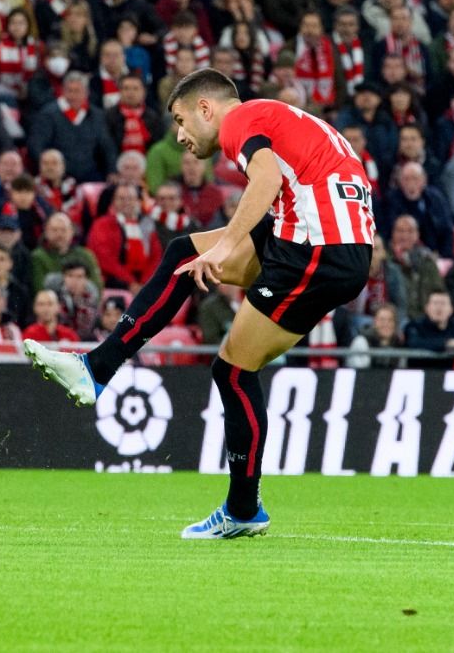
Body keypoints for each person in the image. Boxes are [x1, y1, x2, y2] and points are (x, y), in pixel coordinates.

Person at [23, 68, 375, 539]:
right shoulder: (281, 116)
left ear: (205, 108)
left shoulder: (239, 121)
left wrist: (228, 244)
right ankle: (96, 369)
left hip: (316, 245)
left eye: (181, 121)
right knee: (183, 255)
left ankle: (244, 509)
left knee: (232, 369)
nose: (181, 136)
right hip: (328, 241)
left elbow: (266, 178)